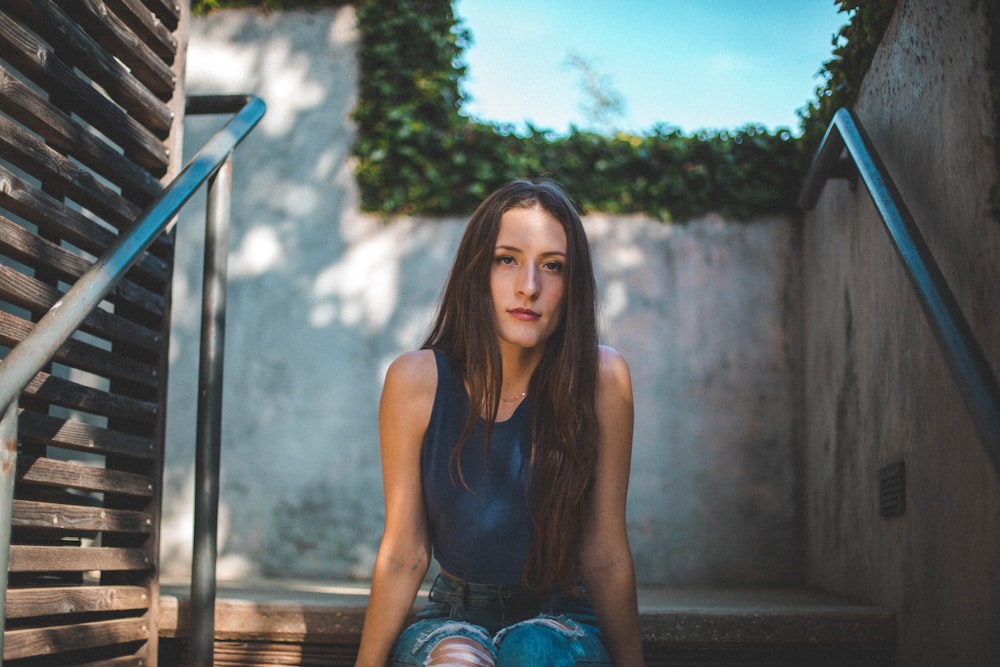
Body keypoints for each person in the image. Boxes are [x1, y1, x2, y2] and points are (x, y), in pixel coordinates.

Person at [355, 179, 644, 667]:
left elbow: (606, 552)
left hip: (562, 617)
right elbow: (404, 552)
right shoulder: (416, 380)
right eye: (506, 258)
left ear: (572, 286)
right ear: (477, 271)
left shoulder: (602, 379)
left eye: (553, 266)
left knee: (533, 651)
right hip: (452, 615)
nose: (528, 286)